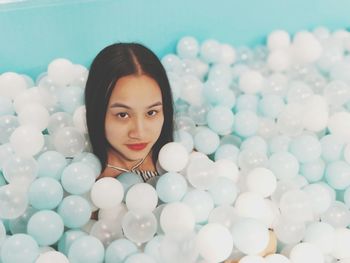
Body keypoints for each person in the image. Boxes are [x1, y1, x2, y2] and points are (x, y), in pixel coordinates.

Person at [85, 43, 174, 182]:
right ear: (97, 112)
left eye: (151, 113)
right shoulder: (85, 181)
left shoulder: (185, 163)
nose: (139, 133)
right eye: (123, 115)